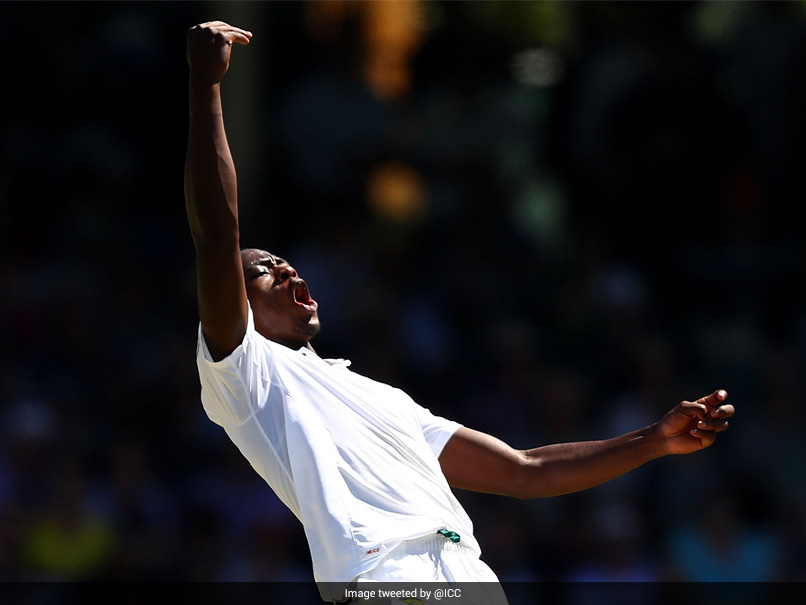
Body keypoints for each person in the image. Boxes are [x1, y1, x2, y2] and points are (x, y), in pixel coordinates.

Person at [184, 21, 735, 604]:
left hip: (468, 579)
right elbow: (218, 236)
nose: (288, 270)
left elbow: (526, 470)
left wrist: (654, 440)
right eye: (264, 269)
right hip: (386, 583)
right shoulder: (245, 372)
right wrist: (205, 84)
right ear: (233, 301)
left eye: (287, 262)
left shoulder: (383, 399)